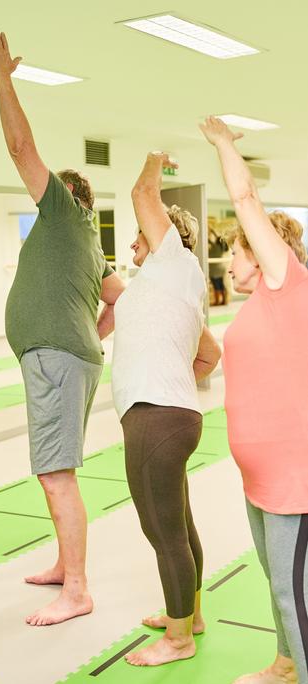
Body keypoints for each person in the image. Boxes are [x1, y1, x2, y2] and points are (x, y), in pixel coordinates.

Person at [0, 31, 125, 627]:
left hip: (59, 359)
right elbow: (118, 298)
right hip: (65, 355)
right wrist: (89, 333)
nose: (38, 193)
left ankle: (78, 590)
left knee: (55, 472)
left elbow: (20, 148)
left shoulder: (67, 215)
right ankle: (67, 569)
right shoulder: (92, 247)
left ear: (71, 198)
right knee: (53, 468)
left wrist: (2, 79)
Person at [201, 115, 308, 684]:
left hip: (293, 477)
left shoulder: (285, 283)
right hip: (259, 478)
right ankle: (286, 664)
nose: (229, 261)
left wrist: (222, 142)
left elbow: (244, 197)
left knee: (295, 594)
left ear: (264, 251)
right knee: (278, 583)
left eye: (237, 251)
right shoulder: (256, 305)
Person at [111, 151, 221, 667]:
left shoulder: (171, 262)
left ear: (161, 235)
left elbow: (143, 194)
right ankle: (189, 615)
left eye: (139, 233)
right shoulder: (175, 285)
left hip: (156, 415)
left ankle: (178, 640)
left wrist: (153, 158)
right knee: (178, 522)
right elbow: (210, 354)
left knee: (162, 529)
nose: (133, 240)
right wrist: (177, 382)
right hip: (169, 411)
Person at [208, 225, 228, 305]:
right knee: (221, 284)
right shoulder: (221, 247)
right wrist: (212, 231)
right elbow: (218, 238)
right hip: (220, 268)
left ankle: (217, 301)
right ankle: (223, 301)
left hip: (215, 269)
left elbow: (207, 240)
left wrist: (210, 231)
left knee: (216, 285)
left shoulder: (215, 246)